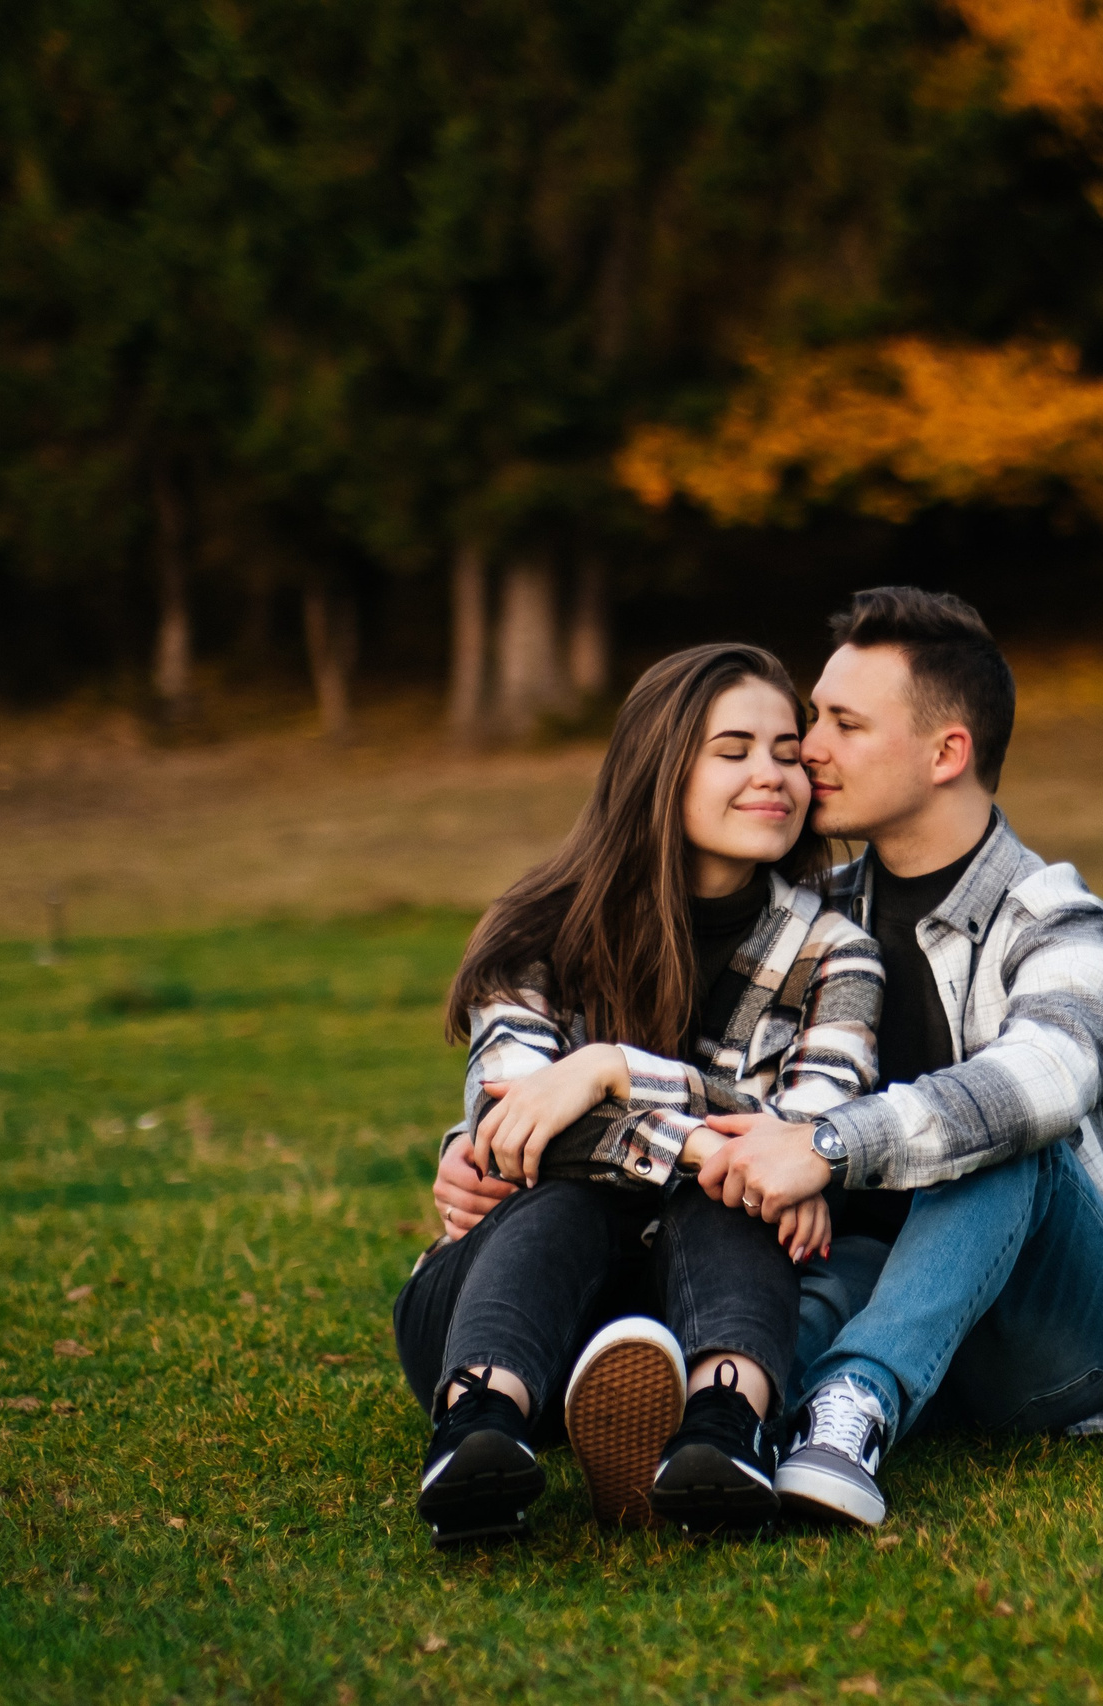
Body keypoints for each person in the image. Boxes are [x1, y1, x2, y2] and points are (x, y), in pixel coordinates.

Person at [699, 587, 1103, 1528]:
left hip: (1056, 1333)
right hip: (876, 1276)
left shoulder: (1060, 921)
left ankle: (850, 1407)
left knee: (1007, 1133)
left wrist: (828, 1145)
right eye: (816, 715)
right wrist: (525, 1107)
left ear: (947, 753)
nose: (809, 748)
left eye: (844, 724)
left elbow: (1045, 1080)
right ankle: (716, 1412)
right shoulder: (805, 918)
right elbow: (688, 1059)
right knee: (774, 1307)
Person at [392, 643, 882, 1546]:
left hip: (691, 1309)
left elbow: (809, 1139)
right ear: (660, 768)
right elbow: (510, 1129)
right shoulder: (541, 926)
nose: (771, 775)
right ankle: (475, 1431)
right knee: (584, 1196)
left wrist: (605, 1075)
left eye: (786, 751)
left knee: (727, 1202)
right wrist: (702, 1141)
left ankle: (721, 1436)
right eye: (732, 750)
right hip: (499, 1300)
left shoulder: (836, 955)